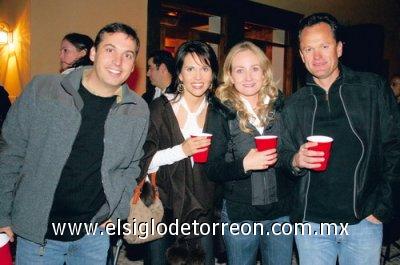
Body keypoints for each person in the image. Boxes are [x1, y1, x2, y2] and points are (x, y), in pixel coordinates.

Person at [0, 22, 149, 264]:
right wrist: (2, 213)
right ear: (93, 53)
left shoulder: (137, 110)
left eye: (128, 55)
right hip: (39, 235)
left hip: (93, 234)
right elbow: (10, 153)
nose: (118, 61)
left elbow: (131, 167)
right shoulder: (44, 90)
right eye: (110, 50)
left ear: (133, 65)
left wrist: (119, 212)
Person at [279, 13, 400, 265]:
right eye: (308, 49)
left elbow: (394, 148)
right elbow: (283, 157)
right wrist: (295, 160)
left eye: (324, 46)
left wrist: (382, 208)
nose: (317, 56)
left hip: (363, 220)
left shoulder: (373, 89)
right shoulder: (293, 104)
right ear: (301, 56)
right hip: (312, 225)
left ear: (339, 47)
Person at [203, 41, 294, 265]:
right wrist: (245, 164)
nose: (248, 77)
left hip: (280, 212)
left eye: (255, 68)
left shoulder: (281, 107)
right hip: (239, 213)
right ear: (230, 76)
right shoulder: (220, 112)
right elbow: (211, 168)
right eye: (240, 70)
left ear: (264, 73)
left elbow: (288, 154)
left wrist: (296, 160)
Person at [140, 40, 219, 265]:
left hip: (203, 207)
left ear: (213, 73)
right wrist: (181, 150)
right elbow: (144, 161)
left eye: (205, 68)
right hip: (163, 204)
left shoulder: (219, 112)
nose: (198, 76)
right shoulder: (160, 108)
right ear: (180, 74)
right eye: (190, 68)